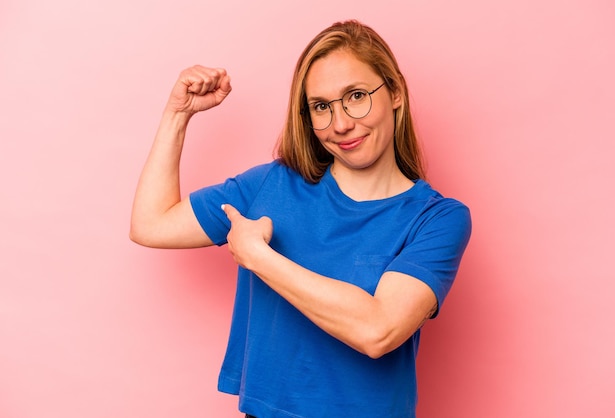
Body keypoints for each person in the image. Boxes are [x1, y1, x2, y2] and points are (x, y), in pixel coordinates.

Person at [130, 20, 471, 418]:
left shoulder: (438, 219)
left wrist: (258, 256)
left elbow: (378, 330)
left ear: (394, 92)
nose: (341, 124)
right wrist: (178, 114)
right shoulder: (271, 186)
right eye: (321, 107)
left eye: (356, 96)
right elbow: (150, 224)